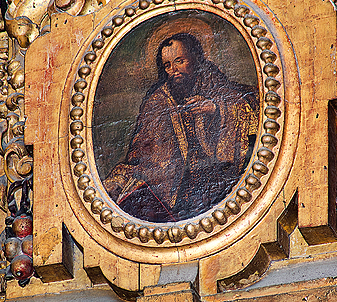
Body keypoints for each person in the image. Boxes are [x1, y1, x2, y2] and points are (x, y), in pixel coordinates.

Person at [103, 28, 259, 222]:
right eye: (167, 65)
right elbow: (140, 155)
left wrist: (215, 108)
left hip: (220, 181)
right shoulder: (157, 101)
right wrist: (118, 181)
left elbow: (250, 103)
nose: (173, 70)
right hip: (177, 192)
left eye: (179, 61)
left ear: (194, 58)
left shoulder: (215, 83)